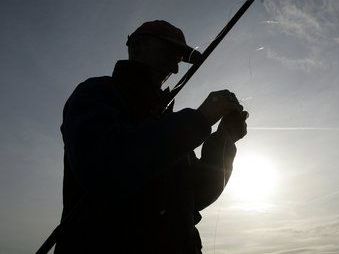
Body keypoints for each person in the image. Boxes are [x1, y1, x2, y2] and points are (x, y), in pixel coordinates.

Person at [54, 20, 248, 254]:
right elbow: (105, 166)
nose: (175, 69)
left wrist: (224, 139)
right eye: (169, 52)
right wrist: (200, 119)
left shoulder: (166, 123)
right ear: (136, 47)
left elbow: (197, 194)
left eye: (178, 60)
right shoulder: (96, 95)